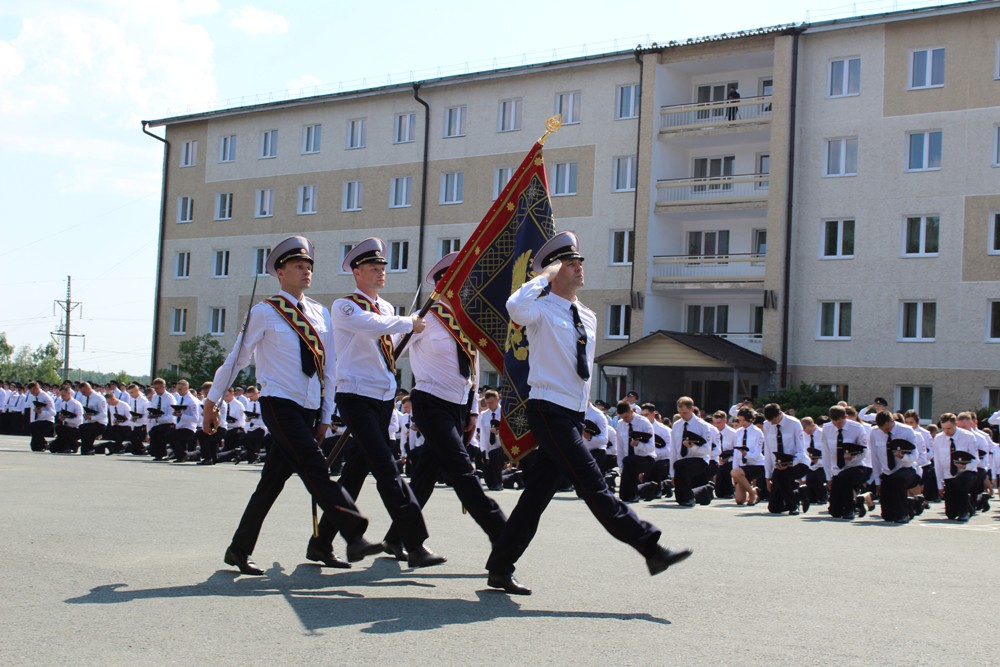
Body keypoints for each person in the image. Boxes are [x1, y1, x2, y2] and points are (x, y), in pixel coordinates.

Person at [485, 231, 691, 595]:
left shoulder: (588, 316)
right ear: (554, 270)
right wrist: (544, 276)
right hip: (548, 408)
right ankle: (650, 547)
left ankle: (500, 566)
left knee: (535, 497)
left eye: (580, 261)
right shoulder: (540, 308)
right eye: (570, 263)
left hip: (572, 413)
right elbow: (514, 308)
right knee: (593, 483)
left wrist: (581, 413)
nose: (579, 267)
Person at [204, 235, 378, 576]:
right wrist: (212, 403)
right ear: (280, 272)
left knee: (270, 482)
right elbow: (237, 359)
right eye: (298, 265)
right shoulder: (265, 312)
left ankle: (240, 549)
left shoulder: (319, 312)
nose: (306, 271)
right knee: (315, 467)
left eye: (309, 266)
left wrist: (326, 415)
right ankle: (353, 533)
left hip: (309, 407)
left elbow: (330, 368)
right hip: (278, 402)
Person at [328, 236, 445, 569]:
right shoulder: (346, 305)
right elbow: (368, 326)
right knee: (387, 468)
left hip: (381, 397)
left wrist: (415, 332)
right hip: (354, 394)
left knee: (354, 472)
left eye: (382, 268)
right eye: (372, 268)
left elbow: (393, 348)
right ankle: (415, 543)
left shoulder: (388, 309)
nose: (380, 273)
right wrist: (408, 322)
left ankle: (321, 541)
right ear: (357, 272)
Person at [381, 251, 507, 559]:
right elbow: (390, 353)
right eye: (462, 282)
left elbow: (473, 367)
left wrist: (473, 411)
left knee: (424, 475)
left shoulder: (467, 321)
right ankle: (502, 533)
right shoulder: (425, 319)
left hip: (458, 406)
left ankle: (395, 537)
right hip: (430, 401)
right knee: (462, 468)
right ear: (445, 285)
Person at [869, 412, 920, 523]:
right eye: (882, 429)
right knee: (888, 516)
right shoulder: (874, 432)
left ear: (892, 421)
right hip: (888, 472)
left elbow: (915, 455)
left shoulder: (907, 431)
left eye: (887, 429)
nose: (884, 431)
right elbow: (875, 458)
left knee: (898, 480)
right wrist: (878, 481)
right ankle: (910, 504)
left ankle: (903, 514)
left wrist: (903, 456)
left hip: (906, 468)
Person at [820, 405, 870, 519]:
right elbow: (826, 454)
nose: (837, 425)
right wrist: (828, 477)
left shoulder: (857, 428)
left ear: (846, 417)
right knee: (835, 511)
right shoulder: (827, 429)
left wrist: (853, 457)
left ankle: (850, 509)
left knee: (845, 478)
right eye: (834, 423)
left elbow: (864, 451)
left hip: (855, 466)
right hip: (837, 469)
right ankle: (858, 502)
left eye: (840, 423)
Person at [761, 403, 809, 515]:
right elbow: (768, 452)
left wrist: (790, 463)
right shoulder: (767, 425)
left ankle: (793, 505)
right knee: (774, 508)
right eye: (769, 421)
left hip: (798, 463)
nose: (772, 423)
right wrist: (768, 476)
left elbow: (801, 450)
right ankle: (798, 493)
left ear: (780, 413)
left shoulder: (794, 423)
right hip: (779, 466)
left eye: (774, 420)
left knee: (781, 476)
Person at [932, 413, 979, 521]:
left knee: (961, 482)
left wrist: (965, 466)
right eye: (943, 428)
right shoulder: (938, 439)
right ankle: (969, 507)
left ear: (956, 424)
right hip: (949, 475)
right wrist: (940, 484)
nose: (946, 431)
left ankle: (964, 513)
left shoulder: (968, 436)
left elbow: (976, 460)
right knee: (951, 514)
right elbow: (938, 463)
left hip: (967, 472)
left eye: (949, 428)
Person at [669, 396, 715, 507]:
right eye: (680, 413)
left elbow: (707, 450)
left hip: (700, 459)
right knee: (679, 466)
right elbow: (673, 449)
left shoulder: (702, 425)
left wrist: (692, 447)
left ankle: (688, 498)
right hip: (682, 460)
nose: (682, 415)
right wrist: (672, 473)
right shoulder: (677, 425)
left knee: (681, 465)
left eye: (685, 412)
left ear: (692, 409)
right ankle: (690, 496)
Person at [77, 382, 107, 455]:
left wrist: (92, 417)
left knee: (83, 428)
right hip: (89, 423)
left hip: (100, 424)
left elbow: (103, 414)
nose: (82, 393)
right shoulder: (84, 398)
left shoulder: (99, 398)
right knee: (84, 429)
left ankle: (88, 449)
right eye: (81, 392)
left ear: (89, 388)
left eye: (84, 391)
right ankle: (92, 449)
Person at [26, 381, 55, 452]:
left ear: (37, 388)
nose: (31, 393)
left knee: (32, 426)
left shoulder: (46, 397)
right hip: (37, 422)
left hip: (47, 421)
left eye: (32, 391)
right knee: (34, 447)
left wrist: (42, 412)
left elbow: (53, 412)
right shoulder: (33, 397)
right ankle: (44, 444)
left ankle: (45, 443)